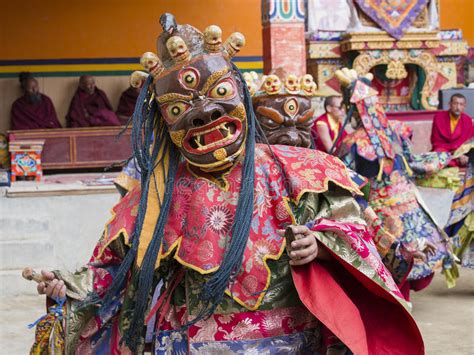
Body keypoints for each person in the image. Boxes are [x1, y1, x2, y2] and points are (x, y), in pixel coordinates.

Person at [30, 15, 423, 354]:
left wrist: (321, 245)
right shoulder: (155, 196)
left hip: (292, 338)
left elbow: (353, 227)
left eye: (219, 92)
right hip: (190, 340)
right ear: (164, 124)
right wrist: (67, 286)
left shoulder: (301, 172)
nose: (204, 114)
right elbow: (114, 270)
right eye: (179, 109)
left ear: (241, 93)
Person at [337, 68, 457, 299]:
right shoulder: (397, 131)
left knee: (387, 257)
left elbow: (347, 180)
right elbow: (415, 162)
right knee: (409, 252)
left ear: (352, 108)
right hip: (408, 204)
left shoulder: (352, 142)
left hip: (379, 210)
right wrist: (444, 157)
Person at [431, 93, 473, 167]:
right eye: (455, 104)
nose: (458, 107)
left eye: (461, 105)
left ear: (464, 106)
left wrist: (462, 154)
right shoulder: (439, 118)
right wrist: (456, 154)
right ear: (450, 104)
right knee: (438, 154)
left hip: (462, 153)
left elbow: (469, 143)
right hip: (444, 151)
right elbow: (435, 141)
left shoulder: (467, 120)